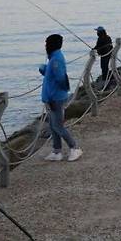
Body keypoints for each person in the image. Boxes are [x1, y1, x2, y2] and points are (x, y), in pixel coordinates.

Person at [39, 34, 82, 162]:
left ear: (52, 44)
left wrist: (52, 98)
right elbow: (54, 74)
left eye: (47, 43)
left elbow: (60, 78)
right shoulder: (54, 58)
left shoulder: (56, 59)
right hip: (52, 98)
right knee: (53, 126)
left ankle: (74, 147)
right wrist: (45, 70)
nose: (45, 45)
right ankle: (56, 151)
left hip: (55, 98)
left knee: (58, 126)